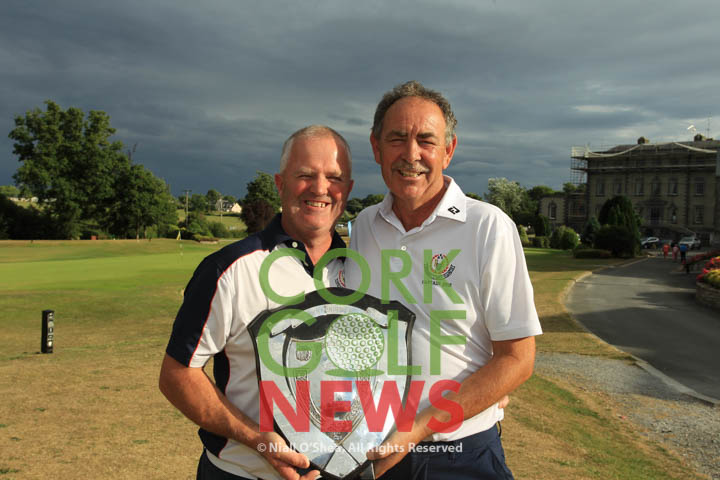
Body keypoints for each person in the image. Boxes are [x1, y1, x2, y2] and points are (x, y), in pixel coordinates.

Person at [344, 81, 542, 479]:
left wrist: (418, 428)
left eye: (426, 140)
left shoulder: (488, 226)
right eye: (397, 138)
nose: (411, 154)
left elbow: (517, 359)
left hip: (459, 456)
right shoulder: (364, 226)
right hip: (370, 447)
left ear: (448, 151)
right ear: (376, 147)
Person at [159, 125, 354, 480]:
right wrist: (257, 439)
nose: (320, 188)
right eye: (305, 175)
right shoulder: (229, 268)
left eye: (334, 177)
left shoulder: (361, 269)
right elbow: (177, 375)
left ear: (348, 189)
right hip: (241, 473)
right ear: (280, 184)